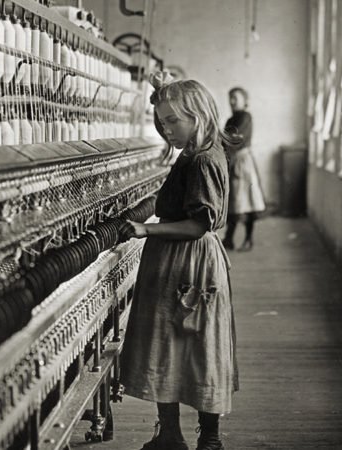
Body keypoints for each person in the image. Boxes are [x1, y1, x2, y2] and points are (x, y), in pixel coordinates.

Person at [118, 73, 238, 450]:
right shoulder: (197, 154)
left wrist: (144, 229)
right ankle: (173, 435)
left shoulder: (202, 161)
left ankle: (207, 439)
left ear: (198, 116)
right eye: (161, 121)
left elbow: (199, 224)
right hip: (181, 261)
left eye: (173, 120)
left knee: (192, 344)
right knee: (175, 344)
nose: (165, 129)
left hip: (188, 261)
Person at [222, 87, 266, 252]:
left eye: (235, 98)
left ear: (244, 100)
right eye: (230, 98)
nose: (232, 101)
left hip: (242, 162)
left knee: (247, 202)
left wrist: (221, 141)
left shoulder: (245, 117)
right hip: (232, 162)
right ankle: (229, 239)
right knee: (233, 201)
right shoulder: (230, 119)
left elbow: (235, 138)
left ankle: (248, 239)